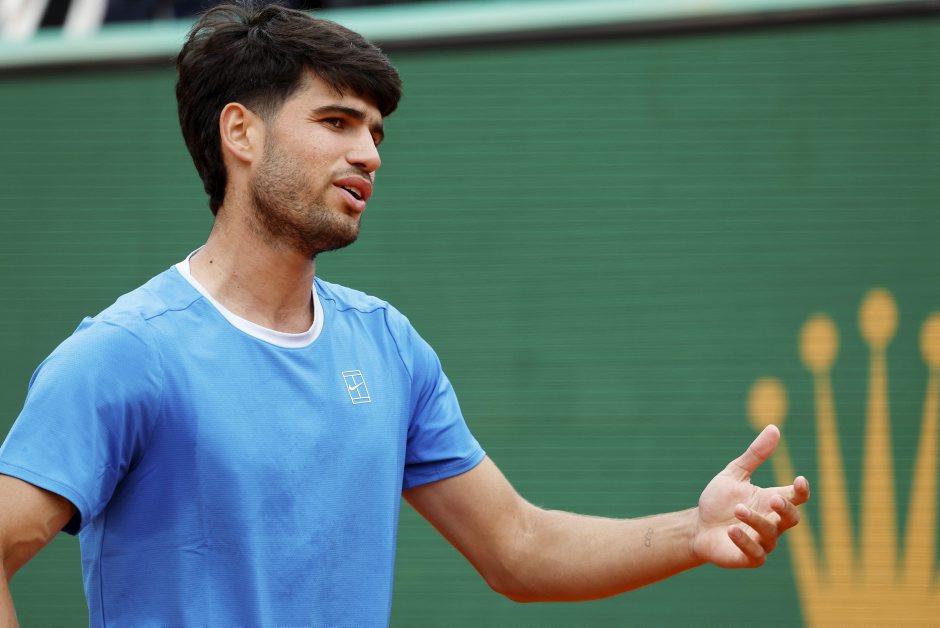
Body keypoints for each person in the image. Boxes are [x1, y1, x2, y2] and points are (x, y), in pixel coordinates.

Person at [0, 2, 810, 626]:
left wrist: (694, 531)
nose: (368, 154)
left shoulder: (388, 347)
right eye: (336, 122)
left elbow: (519, 548)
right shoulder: (126, 354)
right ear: (241, 133)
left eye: (376, 132)